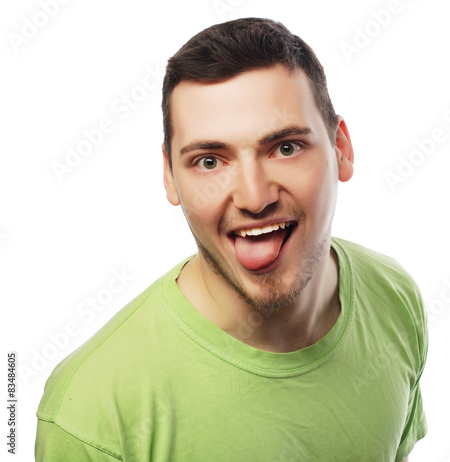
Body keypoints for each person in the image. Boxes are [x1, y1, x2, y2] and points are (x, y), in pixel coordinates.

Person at [35, 17, 427, 461]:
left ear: (341, 148)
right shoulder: (92, 413)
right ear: (169, 176)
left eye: (285, 147)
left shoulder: (394, 298)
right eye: (209, 161)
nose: (255, 198)